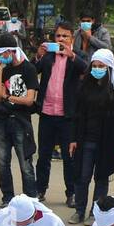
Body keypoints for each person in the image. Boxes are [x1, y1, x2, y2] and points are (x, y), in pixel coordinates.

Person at [68, 47, 114, 225]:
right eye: (94, 65)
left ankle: (96, 213)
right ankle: (79, 211)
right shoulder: (84, 86)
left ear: (109, 67)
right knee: (82, 177)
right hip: (85, 139)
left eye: (101, 66)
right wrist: (73, 138)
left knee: (101, 178)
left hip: (107, 141)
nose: (97, 69)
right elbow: (76, 114)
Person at [33, 21, 85, 208]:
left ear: (72, 38)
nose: (61, 39)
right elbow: (33, 72)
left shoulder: (77, 55)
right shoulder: (48, 56)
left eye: (65, 36)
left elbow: (86, 70)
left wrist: (71, 56)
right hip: (47, 112)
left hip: (67, 116)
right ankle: (40, 190)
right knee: (44, 155)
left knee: (69, 158)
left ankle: (71, 193)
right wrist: (38, 56)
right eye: (58, 36)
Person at [0, 35, 40, 207]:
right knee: (2, 162)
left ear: (12, 51)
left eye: (3, 54)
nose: (1, 58)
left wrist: (9, 97)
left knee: (25, 163)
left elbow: (29, 100)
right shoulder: (5, 69)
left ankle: (30, 200)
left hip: (21, 122)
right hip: (2, 122)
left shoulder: (29, 69)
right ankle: (8, 199)